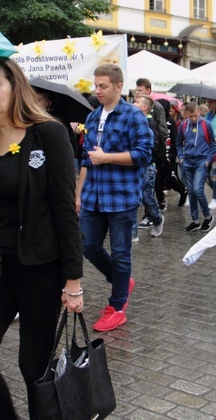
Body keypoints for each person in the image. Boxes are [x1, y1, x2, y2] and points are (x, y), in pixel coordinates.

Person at [0, 56, 84, 419]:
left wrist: (73, 281)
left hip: (39, 267)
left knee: (34, 368)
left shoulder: (48, 133)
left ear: (16, 86)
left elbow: (64, 210)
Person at [76, 63, 151, 332]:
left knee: (121, 253)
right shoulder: (92, 117)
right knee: (87, 245)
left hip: (121, 197)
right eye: (96, 85)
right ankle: (120, 280)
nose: (98, 91)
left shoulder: (133, 116)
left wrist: (106, 157)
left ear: (119, 86)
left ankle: (117, 307)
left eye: (103, 86)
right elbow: (86, 158)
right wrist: (79, 193)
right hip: (94, 195)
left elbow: (144, 155)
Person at [177, 101, 216, 233]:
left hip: (201, 161)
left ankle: (207, 216)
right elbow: (178, 144)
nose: (193, 118)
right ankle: (195, 221)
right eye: (190, 116)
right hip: (188, 161)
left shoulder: (206, 125)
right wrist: (181, 157)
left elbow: (212, 144)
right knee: (191, 191)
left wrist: (208, 160)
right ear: (186, 114)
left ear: (199, 112)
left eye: (195, 116)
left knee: (197, 189)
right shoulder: (183, 126)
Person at [132, 95, 164, 238]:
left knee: (147, 197)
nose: (133, 103)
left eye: (137, 102)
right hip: (133, 166)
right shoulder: (132, 122)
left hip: (146, 167)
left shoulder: (149, 124)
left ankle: (157, 218)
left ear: (144, 107)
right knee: (133, 199)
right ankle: (132, 234)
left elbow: (155, 146)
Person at [154, 98, 187, 210]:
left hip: (168, 157)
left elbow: (175, 141)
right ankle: (160, 201)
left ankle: (183, 190)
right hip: (159, 156)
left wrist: (171, 156)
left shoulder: (170, 122)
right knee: (157, 180)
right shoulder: (157, 120)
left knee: (169, 179)